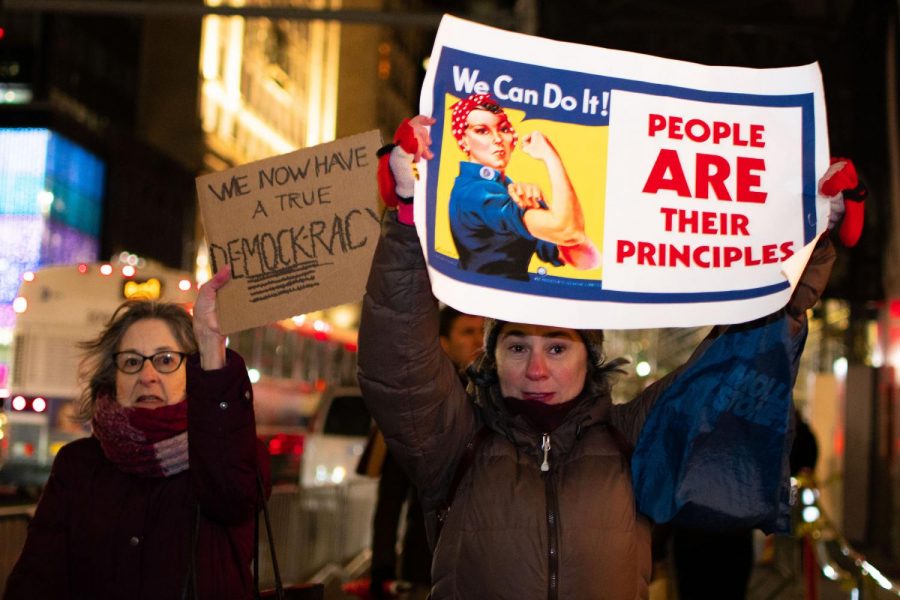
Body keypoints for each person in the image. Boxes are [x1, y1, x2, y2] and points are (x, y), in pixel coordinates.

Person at [358, 115, 855, 598]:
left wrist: (808, 239)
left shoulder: (633, 439)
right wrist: (404, 220)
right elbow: (398, 360)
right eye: (516, 347)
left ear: (590, 355)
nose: (536, 370)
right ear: (492, 356)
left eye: (557, 346)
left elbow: (738, 351)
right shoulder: (453, 443)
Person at [3, 266, 269, 600]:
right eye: (131, 362)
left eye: (166, 360)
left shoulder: (230, 455)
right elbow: (36, 582)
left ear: (194, 370)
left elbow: (232, 495)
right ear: (111, 378)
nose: (147, 375)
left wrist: (212, 349)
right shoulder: (78, 466)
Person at [383, 95, 599, 281]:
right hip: (482, 312)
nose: (497, 139)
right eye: (482, 131)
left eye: (503, 129)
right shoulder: (475, 193)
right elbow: (568, 231)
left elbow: (586, 259)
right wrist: (551, 156)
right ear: (464, 141)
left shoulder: (509, 189)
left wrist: (545, 211)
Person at [362, 306, 484, 599]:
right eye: (467, 332)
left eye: (482, 331)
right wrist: (382, 569)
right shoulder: (420, 407)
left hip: (483, 571)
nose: (478, 341)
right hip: (426, 568)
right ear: (443, 343)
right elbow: (391, 498)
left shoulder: (500, 400)